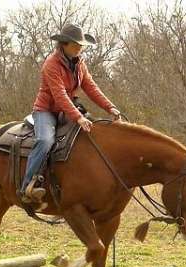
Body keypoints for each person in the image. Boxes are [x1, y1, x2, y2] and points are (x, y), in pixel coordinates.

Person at [19, 23, 122, 203]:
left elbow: (91, 87)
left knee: (92, 136)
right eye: (76, 44)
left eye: (81, 45)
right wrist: (78, 117)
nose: (80, 48)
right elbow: (59, 95)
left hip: (69, 109)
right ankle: (27, 186)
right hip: (46, 111)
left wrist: (110, 107)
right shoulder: (51, 64)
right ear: (64, 44)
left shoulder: (80, 63)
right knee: (45, 141)